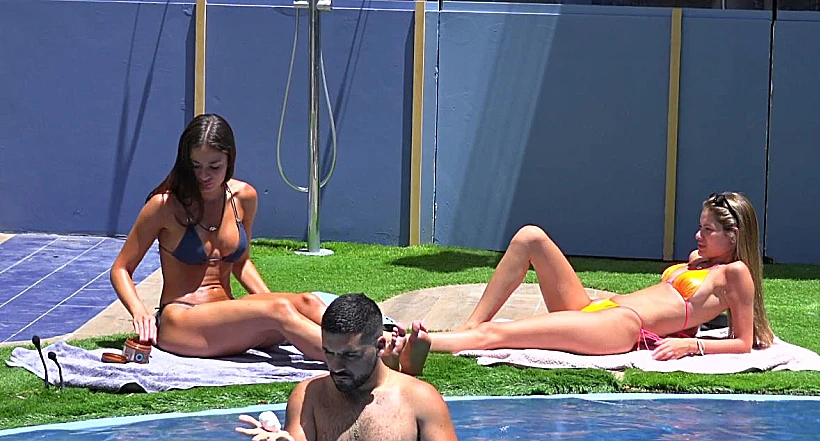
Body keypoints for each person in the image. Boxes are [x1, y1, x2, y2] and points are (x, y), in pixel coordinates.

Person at [409, 192, 774, 361]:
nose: (698, 236)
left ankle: (418, 342)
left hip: (621, 327)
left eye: (708, 230)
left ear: (734, 236)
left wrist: (690, 346)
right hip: (596, 309)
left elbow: (743, 342)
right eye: (700, 226)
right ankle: (468, 327)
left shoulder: (736, 274)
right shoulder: (698, 261)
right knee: (530, 237)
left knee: (500, 335)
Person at [110, 114, 331, 360]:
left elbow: (241, 263)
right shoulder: (164, 206)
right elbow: (121, 269)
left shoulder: (244, 197)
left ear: (229, 161)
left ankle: (361, 345)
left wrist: (267, 299)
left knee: (308, 302)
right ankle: (354, 362)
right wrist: (139, 311)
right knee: (279, 311)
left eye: (214, 167)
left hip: (225, 315)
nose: (203, 175)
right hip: (182, 320)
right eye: (195, 166)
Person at [235, 294, 459, 441]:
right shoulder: (308, 396)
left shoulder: (421, 400)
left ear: (380, 346)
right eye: (328, 352)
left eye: (349, 355)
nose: (335, 366)